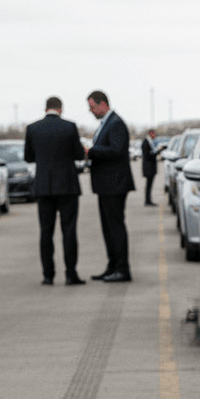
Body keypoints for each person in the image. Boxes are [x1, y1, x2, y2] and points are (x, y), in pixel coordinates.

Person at [24, 96, 87, 286]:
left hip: (43, 186)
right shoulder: (69, 127)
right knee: (69, 230)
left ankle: (48, 275)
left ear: (46, 109)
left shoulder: (33, 128)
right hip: (67, 186)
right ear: (61, 109)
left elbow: (28, 157)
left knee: (46, 232)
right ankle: (70, 274)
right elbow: (78, 154)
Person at [86, 90, 136, 282]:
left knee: (115, 227)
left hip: (114, 184)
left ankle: (122, 269)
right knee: (108, 228)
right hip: (106, 185)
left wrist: (90, 150)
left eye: (92, 107)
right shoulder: (107, 123)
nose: (91, 111)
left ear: (103, 104)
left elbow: (116, 150)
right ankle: (112, 265)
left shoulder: (116, 124)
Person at [141, 128, 159, 206]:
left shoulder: (149, 142)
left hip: (150, 166)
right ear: (151, 133)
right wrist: (158, 152)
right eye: (154, 134)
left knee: (149, 184)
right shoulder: (146, 142)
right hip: (149, 167)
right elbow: (148, 155)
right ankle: (147, 200)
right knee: (149, 184)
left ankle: (148, 199)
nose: (155, 136)